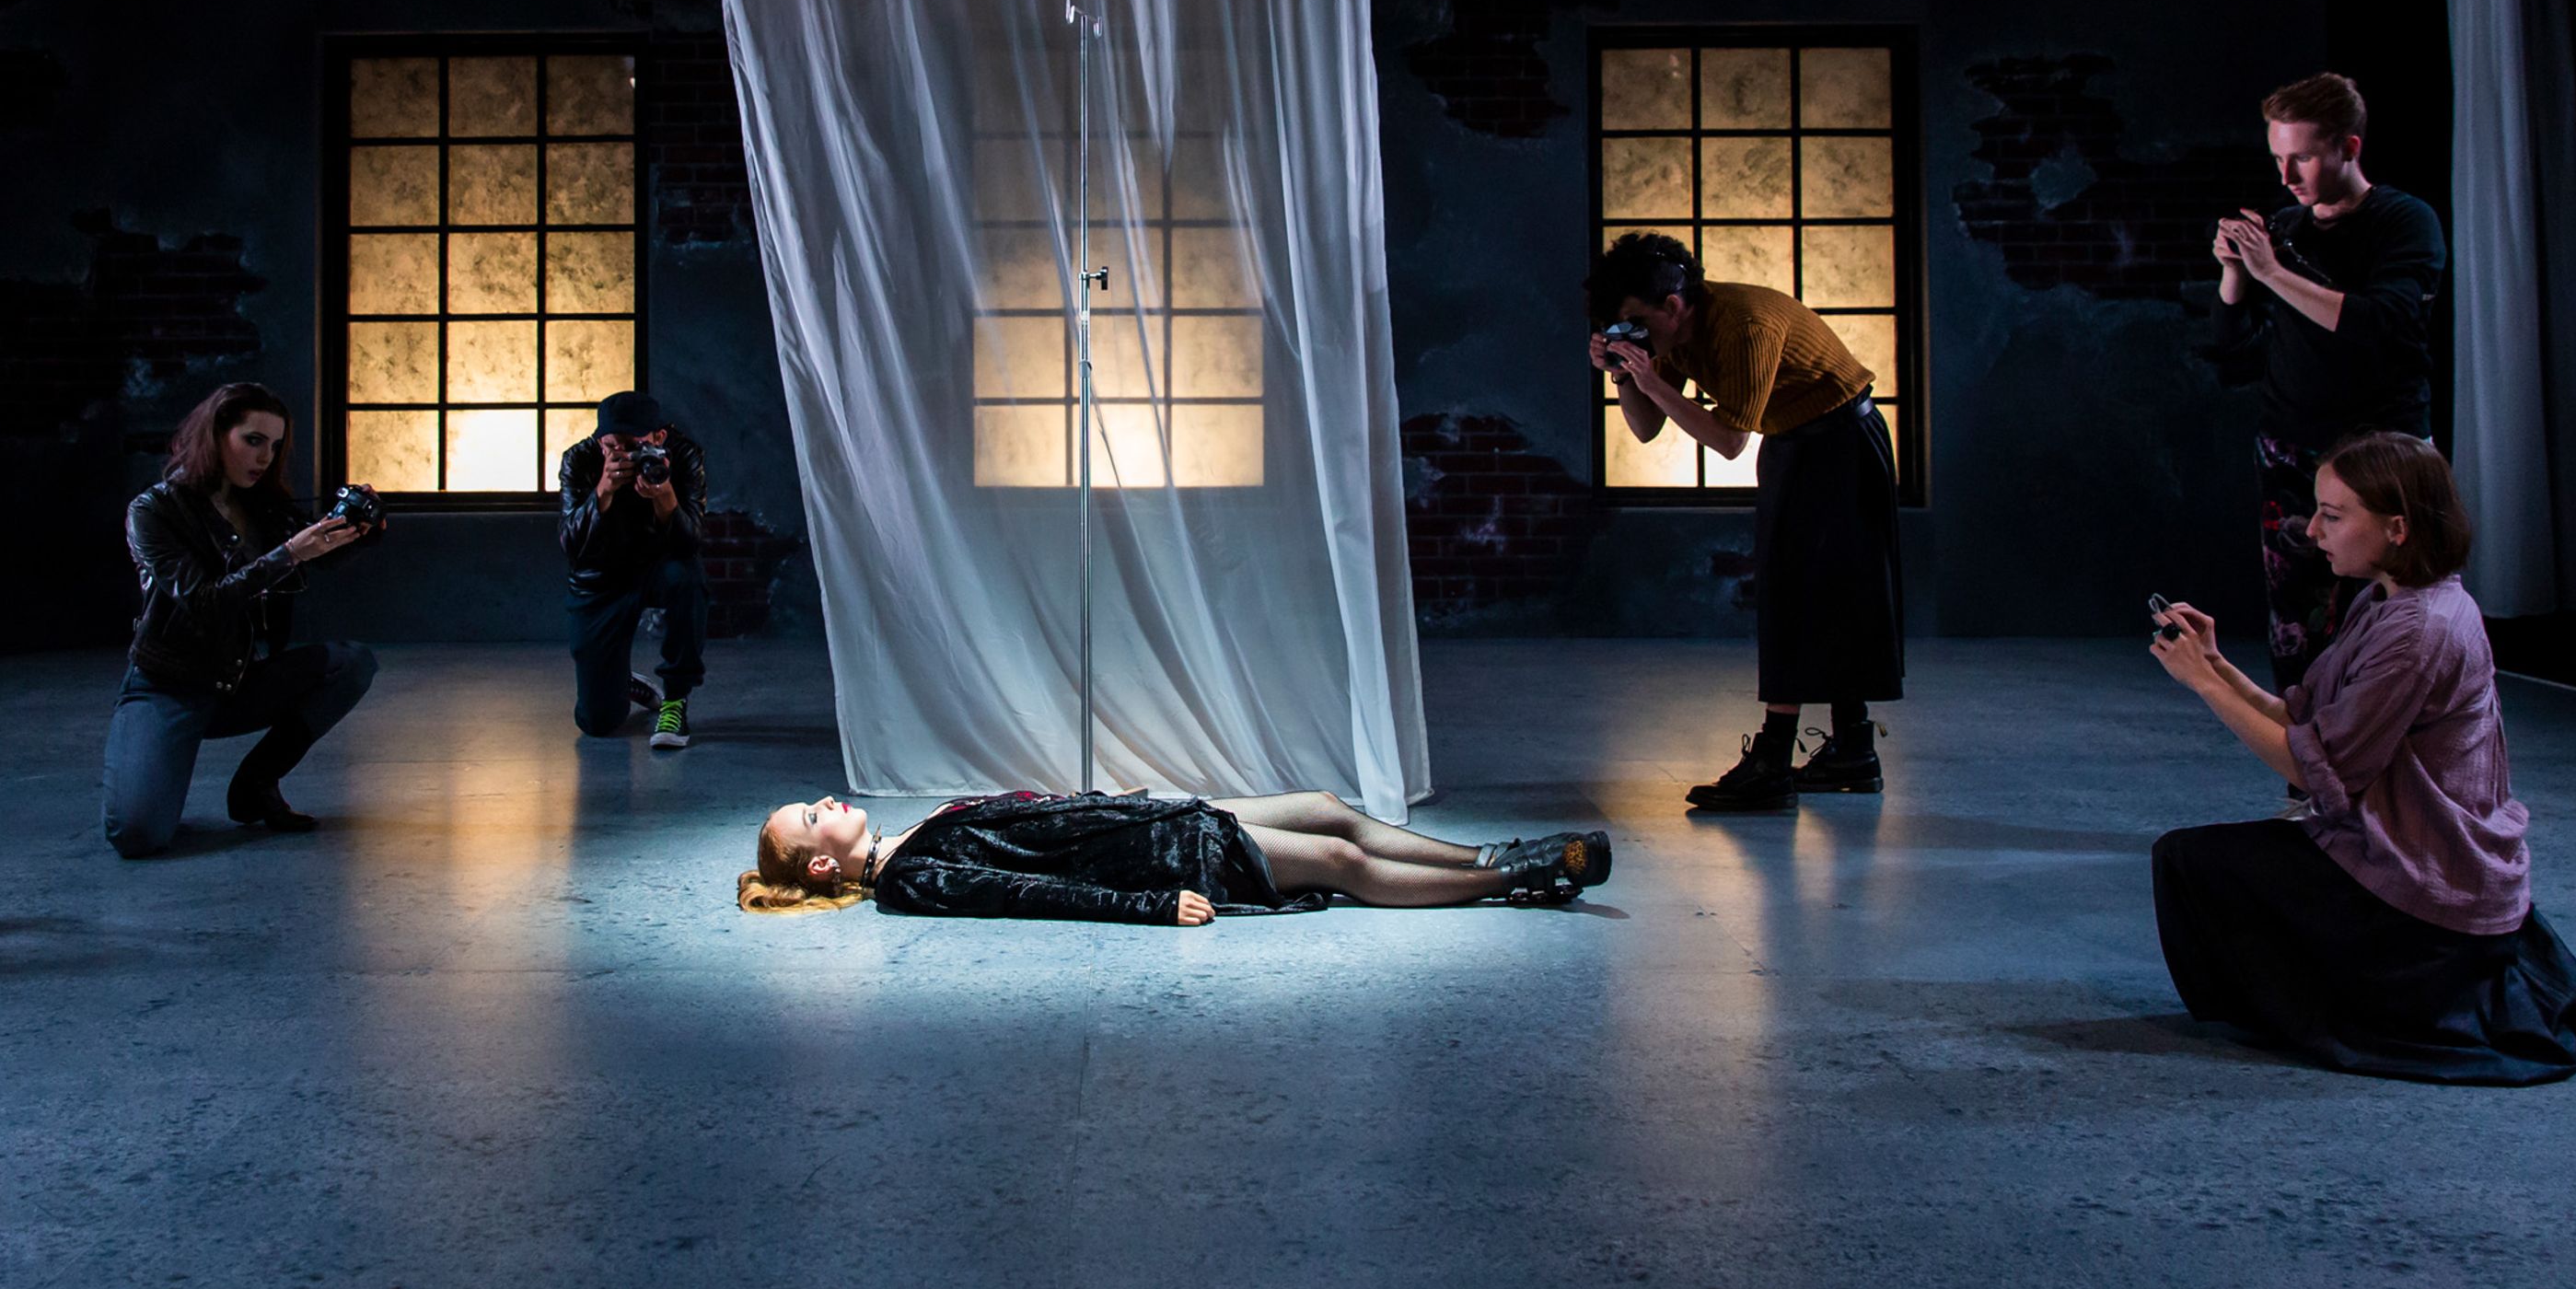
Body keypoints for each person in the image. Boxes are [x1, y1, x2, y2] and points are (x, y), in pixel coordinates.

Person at [2145, 434, 2576, 1085]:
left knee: (2191, 863)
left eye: (2333, 516)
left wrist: (2201, 683)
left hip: (2426, 880)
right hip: (2416, 851)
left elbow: (2310, 766)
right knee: (2200, 859)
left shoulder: (2418, 629)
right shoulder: (2387, 599)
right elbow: (2309, 720)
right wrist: (2219, 666)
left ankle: (2345, 1010)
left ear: (2397, 528)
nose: (2312, 531)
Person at [1589, 232, 1903, 811]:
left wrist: (1653, 380)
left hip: (1842, 443)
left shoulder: (1743, 325)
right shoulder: (1672, 337)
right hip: (1796, 442)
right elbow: (1644, 428)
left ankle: (1774, 762)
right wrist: (1624, 375)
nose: (1633, 333)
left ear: (1673, 306)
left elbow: (1729, 441)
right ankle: (1852, 751)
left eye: (1636, 320)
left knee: (1817, 594)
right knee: (1807, 593)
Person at [2209, 72, 2447, 705]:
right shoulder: (2286, 228)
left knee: (2393, 615)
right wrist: (2236, 276)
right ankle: (2307, 787)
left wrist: (2271, 271)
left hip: (2383, 451)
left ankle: (2391, 787)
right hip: (2290, 451)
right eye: (2277, 158)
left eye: (2304, 156)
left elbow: (2380, 321)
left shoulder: (2404, 221)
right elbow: (2230, 349)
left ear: (2349, 148)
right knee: (2296, 627)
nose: (2287, 176)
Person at [106, 381, 380, 858]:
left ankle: (258, 782)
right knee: (138, 836)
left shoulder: (263, 507)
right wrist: (289, 554)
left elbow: (317, 558)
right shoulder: (154, 510)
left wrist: (360, 529)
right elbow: (204, 600)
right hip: (169, 686)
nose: (265, 457)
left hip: (239, 682)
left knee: (352, 663)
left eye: (274, 446)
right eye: (252, 441)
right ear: (215, 435)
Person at [738, 789, 1610, 921]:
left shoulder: (906, 838)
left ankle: (1482, 852)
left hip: (1145, 815)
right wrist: (1150, 907)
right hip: (1152, 858)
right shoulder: (913, 879)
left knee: (1324, 808)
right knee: (1336, 862)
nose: (828, 803)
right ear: (823, 866)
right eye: (813, 818)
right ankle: (1518, 877)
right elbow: (1023, 893)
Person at [558, 389, 708, 749]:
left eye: (634, 445)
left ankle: (674, 698)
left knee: (688, 579)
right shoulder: (580, 460)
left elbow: (691, 545)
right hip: (600, 579)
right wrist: (603, 493)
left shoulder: (684, 457)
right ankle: (620, 680)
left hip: (661, 568)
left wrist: (665, 496)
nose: (623, 455)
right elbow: (571, 547)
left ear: (659, 438)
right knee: (597, 721)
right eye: (612, 446)